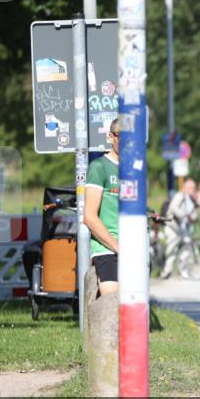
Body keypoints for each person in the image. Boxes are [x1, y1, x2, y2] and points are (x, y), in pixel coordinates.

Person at [84, 118, 120, 295]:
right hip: (107, 248)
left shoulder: (136, 169)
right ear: (111, 137)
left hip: (133, 246)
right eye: (121, 136)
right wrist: (118, 247)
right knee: (111, 300)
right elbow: (89, 217)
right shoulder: (99, 167)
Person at [161, 178, 198, 279]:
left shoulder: (190, 199)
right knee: (171, 249)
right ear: (185, 187)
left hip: (181, 228)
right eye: (191, 187)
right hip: (172, 226)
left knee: (188, 245)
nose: (192, 189)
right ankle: (167, 271)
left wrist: (193, 217)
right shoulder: (179, 196)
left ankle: (183, 268)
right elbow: (174, 208)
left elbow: (193, 212)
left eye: (193, 188)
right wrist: (185, 215)